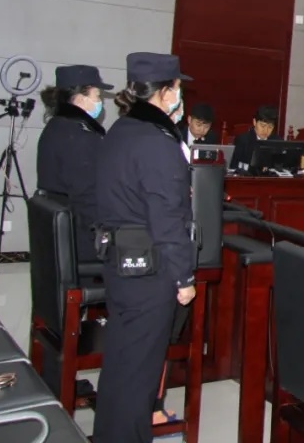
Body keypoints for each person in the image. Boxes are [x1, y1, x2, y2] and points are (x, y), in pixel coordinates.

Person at [93, 53, 197, 442]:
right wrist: (184, 277)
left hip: (120, 260)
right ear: (165, 92)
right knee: (139, 377)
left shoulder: (121, 129)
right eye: (178, 88)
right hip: (150, 269)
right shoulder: (157, 141)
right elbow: (168, 218)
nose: (180, 96)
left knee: (122, 364)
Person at [36, 65, 114, 262]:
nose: (100, 102)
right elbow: (87, 194)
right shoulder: (80, 136)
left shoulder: (56, 126)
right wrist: (106, 236)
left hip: (62, 231)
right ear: (80, 99)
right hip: (81, 235)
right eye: (97, 96)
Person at [229, 105, 281, 171]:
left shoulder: (277, 141)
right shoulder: (243, 140)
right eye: (263, 126)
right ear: (254, 122)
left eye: (270, 127)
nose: (266, 130)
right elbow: (234, 165)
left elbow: (280, 165)